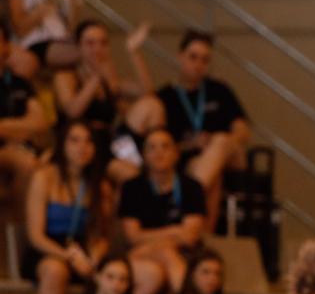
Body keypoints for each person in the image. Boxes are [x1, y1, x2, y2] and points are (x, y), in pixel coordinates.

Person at [155, 31, 251, 223]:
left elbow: (242, 129)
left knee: (220, 142)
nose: (198, 65)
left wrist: (216, 144)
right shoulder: (165, 97)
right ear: (180, 56)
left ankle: (183, 204)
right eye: (193, 57)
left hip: (228, 154)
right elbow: (163, 144)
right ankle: (201, 233)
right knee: (210, 173)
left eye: (205, 60)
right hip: (190, 159)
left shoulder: (219, 90)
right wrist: (191, 145)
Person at [25, 119, 109, 294]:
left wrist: (93, 258)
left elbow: (100, 235)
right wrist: (70, 258)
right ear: (62, 145)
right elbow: (36, 236)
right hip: (48, 248)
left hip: (82, 251)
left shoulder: (101, 185)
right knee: (55, 271)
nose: (82, 147)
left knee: (113, 274)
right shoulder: (44, 177)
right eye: (75, 140)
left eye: (89, 141)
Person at [54, 19, 156, 183]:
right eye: (90, 43)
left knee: (153, 107)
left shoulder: (110, 80)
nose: (97, 49)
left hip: (108, 143)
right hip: (79, 144)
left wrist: (134, 52)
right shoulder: (66, 76)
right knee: (132, 177)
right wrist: (96, 77)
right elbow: (73, 111)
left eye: (103, 43)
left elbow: (147, 93)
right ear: (78, 46)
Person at [118, 127, 207, 294]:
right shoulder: (132, 188)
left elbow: (189, 237)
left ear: (176, 153)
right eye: (152, 147)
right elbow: (132, 237)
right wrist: (174, 231)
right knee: (160, 261)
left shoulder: (192, 187)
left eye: (165, 146)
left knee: (163, 262)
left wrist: (151, 239)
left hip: (183, 255)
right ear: (144, 154)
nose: (159, 152)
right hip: (141, 254)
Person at [0, 21, 52, 199]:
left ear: (6, 46)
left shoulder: (19, 83)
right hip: (9, 152)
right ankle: (16, 224)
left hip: (24, 147)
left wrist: (5, 127)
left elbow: (40, 123)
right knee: (26, 163)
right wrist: (21, 128)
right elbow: (31, 124)